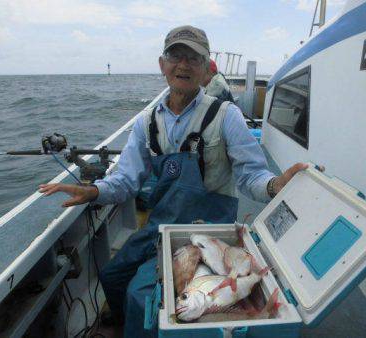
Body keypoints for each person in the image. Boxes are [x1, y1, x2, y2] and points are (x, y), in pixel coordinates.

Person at [39, 25, 310, 337]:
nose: (183, 65)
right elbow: (126, 180)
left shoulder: (225, 116)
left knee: (141, 295)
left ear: (207, 68)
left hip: (208, 227)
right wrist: (93, 191)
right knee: (113, 275)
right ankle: (130, 324)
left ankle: (146, 324)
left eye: (193, 58)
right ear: (162, 64)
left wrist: (274, 185)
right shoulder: (146, 123)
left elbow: (251, 176)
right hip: (160, 224)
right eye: (175, 56)